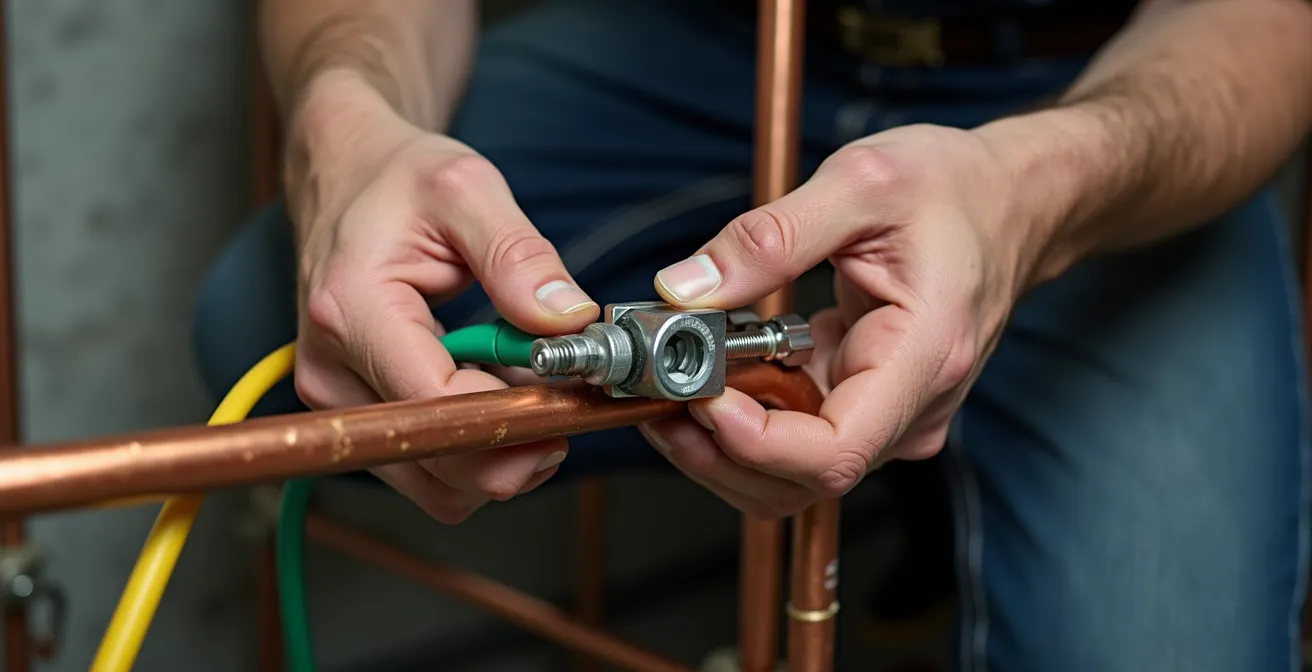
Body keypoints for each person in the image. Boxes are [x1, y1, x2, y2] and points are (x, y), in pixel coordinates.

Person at [194, 0, 1312, 669]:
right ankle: (878, 429)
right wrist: (346, 127)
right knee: (277, 333)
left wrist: (1036, 197)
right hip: (698, 40)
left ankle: (924, 437)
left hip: (1101, 97)